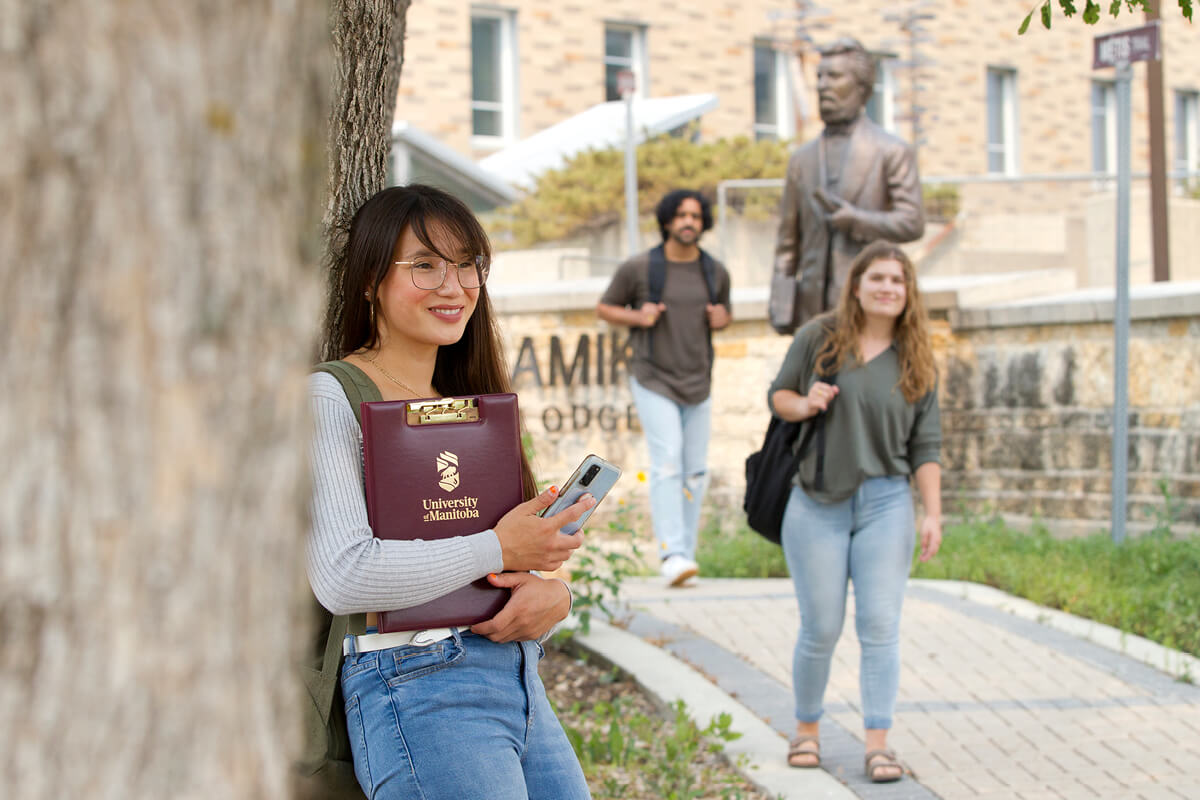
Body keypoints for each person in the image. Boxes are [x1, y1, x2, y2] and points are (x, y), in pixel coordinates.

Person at [307, 184, 594, 800]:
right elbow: (341, 576)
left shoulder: (474, 406)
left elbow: (497, 561)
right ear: (368, 280)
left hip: (516, 681)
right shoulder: (332, 397)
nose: (453, 285)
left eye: (468, 265)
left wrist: (552, 595)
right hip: (413, 683)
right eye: (425, 265)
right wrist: (497, 546)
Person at [767, 241, 942, 783]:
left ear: (908, 291)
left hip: (887, 503)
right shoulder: (819, 338)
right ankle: (807, 731)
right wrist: (808, 402)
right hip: (816, 501)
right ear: (858, 285)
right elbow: (779, 398)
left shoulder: (917, 357)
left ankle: (878, 743)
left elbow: (926, 446)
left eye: (899, 280)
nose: (889, 287)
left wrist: (931, 513)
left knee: (879, 625)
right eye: (879, 278)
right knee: (820, 626)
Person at [596, 190, 732, 587]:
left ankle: (685, 556)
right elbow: (605, 308)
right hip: (653, 377)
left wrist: (722, 318)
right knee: (668, 462)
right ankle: (671, 553)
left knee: (696, 472)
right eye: (681, 215)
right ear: (668, 221)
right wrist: (639, 317)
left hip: (699, 380)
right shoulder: (641, 268)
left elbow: (724, 315)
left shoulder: (715, 272)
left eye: (695, 215)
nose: (689, 221)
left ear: (703, 223)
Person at [769, 37, 925, 335]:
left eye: (835, 76)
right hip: (812, 312)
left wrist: (857, 220)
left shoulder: (890, 150)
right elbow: (787, 243)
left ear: (863, 88)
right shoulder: (802, 159)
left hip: (871, 311)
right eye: (819, 77)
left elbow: (912, 221)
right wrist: (781, 305)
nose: (823, 85)